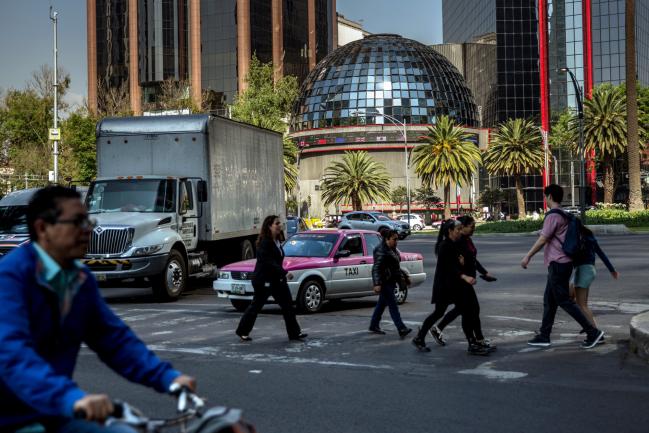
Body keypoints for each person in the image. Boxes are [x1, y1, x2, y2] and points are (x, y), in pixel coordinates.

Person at [0, 186, 196, 433]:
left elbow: (114, 340)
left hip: (54, 412)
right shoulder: (10, 278)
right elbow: (12, 355)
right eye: (77, 221)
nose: (89, 228)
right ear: (42, 228)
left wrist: (167, 378)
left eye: (88, 219)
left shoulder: (80, 279)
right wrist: (71, 398)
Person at [521, 184, 605, 349]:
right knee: (549, 301)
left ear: (550, 196)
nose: (545, 199)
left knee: (564, 300)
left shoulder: (553, 215)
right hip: (562, 263)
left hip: (558, 264)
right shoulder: (564, 215)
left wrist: (528, 256)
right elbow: (552, 234)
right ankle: (544, 335)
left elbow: (543, 239)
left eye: (546, 196)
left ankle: (592, 332)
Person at [412, 219, 490, 355]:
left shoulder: (456, 243)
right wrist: (464, 276)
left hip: (456, 285)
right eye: (458, 229)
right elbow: (449, 267)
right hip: (445, 286)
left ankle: (473, 342)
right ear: (450, 231)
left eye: (461, 229)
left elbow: (466, 260)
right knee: (440, 312)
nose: (460, 232)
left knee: (467, 310)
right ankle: (420, 337)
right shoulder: (445, 246)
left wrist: (478, 271)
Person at [429, 215, 496, 351]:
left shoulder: (466, 240)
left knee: (472, 310)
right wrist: (464, 276)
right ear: (462, 227)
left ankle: (478, 340)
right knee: (466, 311)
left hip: (467, 280)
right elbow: (451, 265)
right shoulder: (456, 242)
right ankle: (473, 342)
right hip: (460, 282)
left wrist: (484, 272)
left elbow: (472, 260)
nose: (473, 229)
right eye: (471, 227)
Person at [236, 215, 307, 342]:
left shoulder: (278, 241)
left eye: (280, 223)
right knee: (256, 306)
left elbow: (277, 261)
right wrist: (284, 273)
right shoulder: (265, 242)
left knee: (288, 306)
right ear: (269, 226)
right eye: (277, 223)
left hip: (277, 280)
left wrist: (281, 274)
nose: (280, 225)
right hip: (264, 280)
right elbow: (268, 262)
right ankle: (242, 331)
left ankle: (295, 333)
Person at [570, 225, 619, 337]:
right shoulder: (589, 237)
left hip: (584, 271)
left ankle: (595, 332)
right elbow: (602, 254)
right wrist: (612, 270)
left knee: (582, 305)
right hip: (586, 270)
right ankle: (589, 325)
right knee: (570, 298)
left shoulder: (580, 240)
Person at [368, 229, 412, 338]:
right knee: (393, 305)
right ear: (387, 239)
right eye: (394, 239)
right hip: (384, 282)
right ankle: (401, 328)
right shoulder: (381, 250)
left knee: (381, 304)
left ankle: (374, 325)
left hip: (391, 280)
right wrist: (377, 283)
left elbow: (395, 266)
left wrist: (405, 277)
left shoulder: (391, 248)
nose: (396, 241)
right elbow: (376, 268)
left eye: (397, 239)